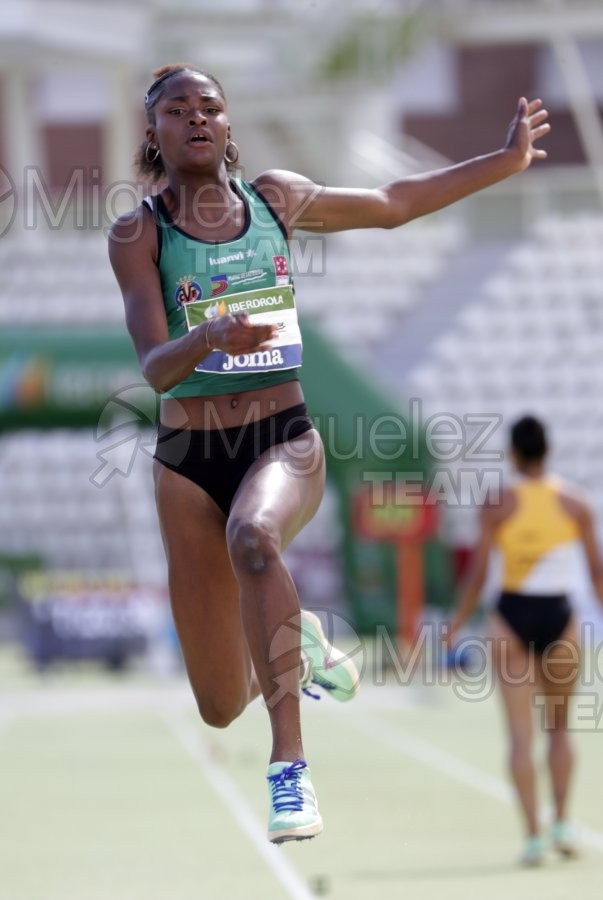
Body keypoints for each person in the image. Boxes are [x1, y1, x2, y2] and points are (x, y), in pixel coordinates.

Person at [108, 62, 550, 844]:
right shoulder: (138, 233)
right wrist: (205, 337)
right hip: (186, 463)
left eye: (211, 106)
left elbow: (390, 204)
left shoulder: (274, 198)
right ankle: (294, 636)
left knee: (254, 538)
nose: (198, 118)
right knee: (216, 705)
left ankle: (289, 771)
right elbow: (151, 365)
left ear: (228, 124)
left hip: (283, 441)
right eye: (179, 111)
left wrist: (503, 161)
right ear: (154, 133)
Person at [450, 416, 603, 866]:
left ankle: (534, 836)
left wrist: (455, 623)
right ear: (548, 450)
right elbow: (596, 573)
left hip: (511, 617)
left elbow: (478, 573)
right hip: (558, 616)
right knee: (559, 727)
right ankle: (562, 822)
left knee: (520, 736)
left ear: (512, 453)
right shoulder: (575, 503)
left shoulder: (498, 503)